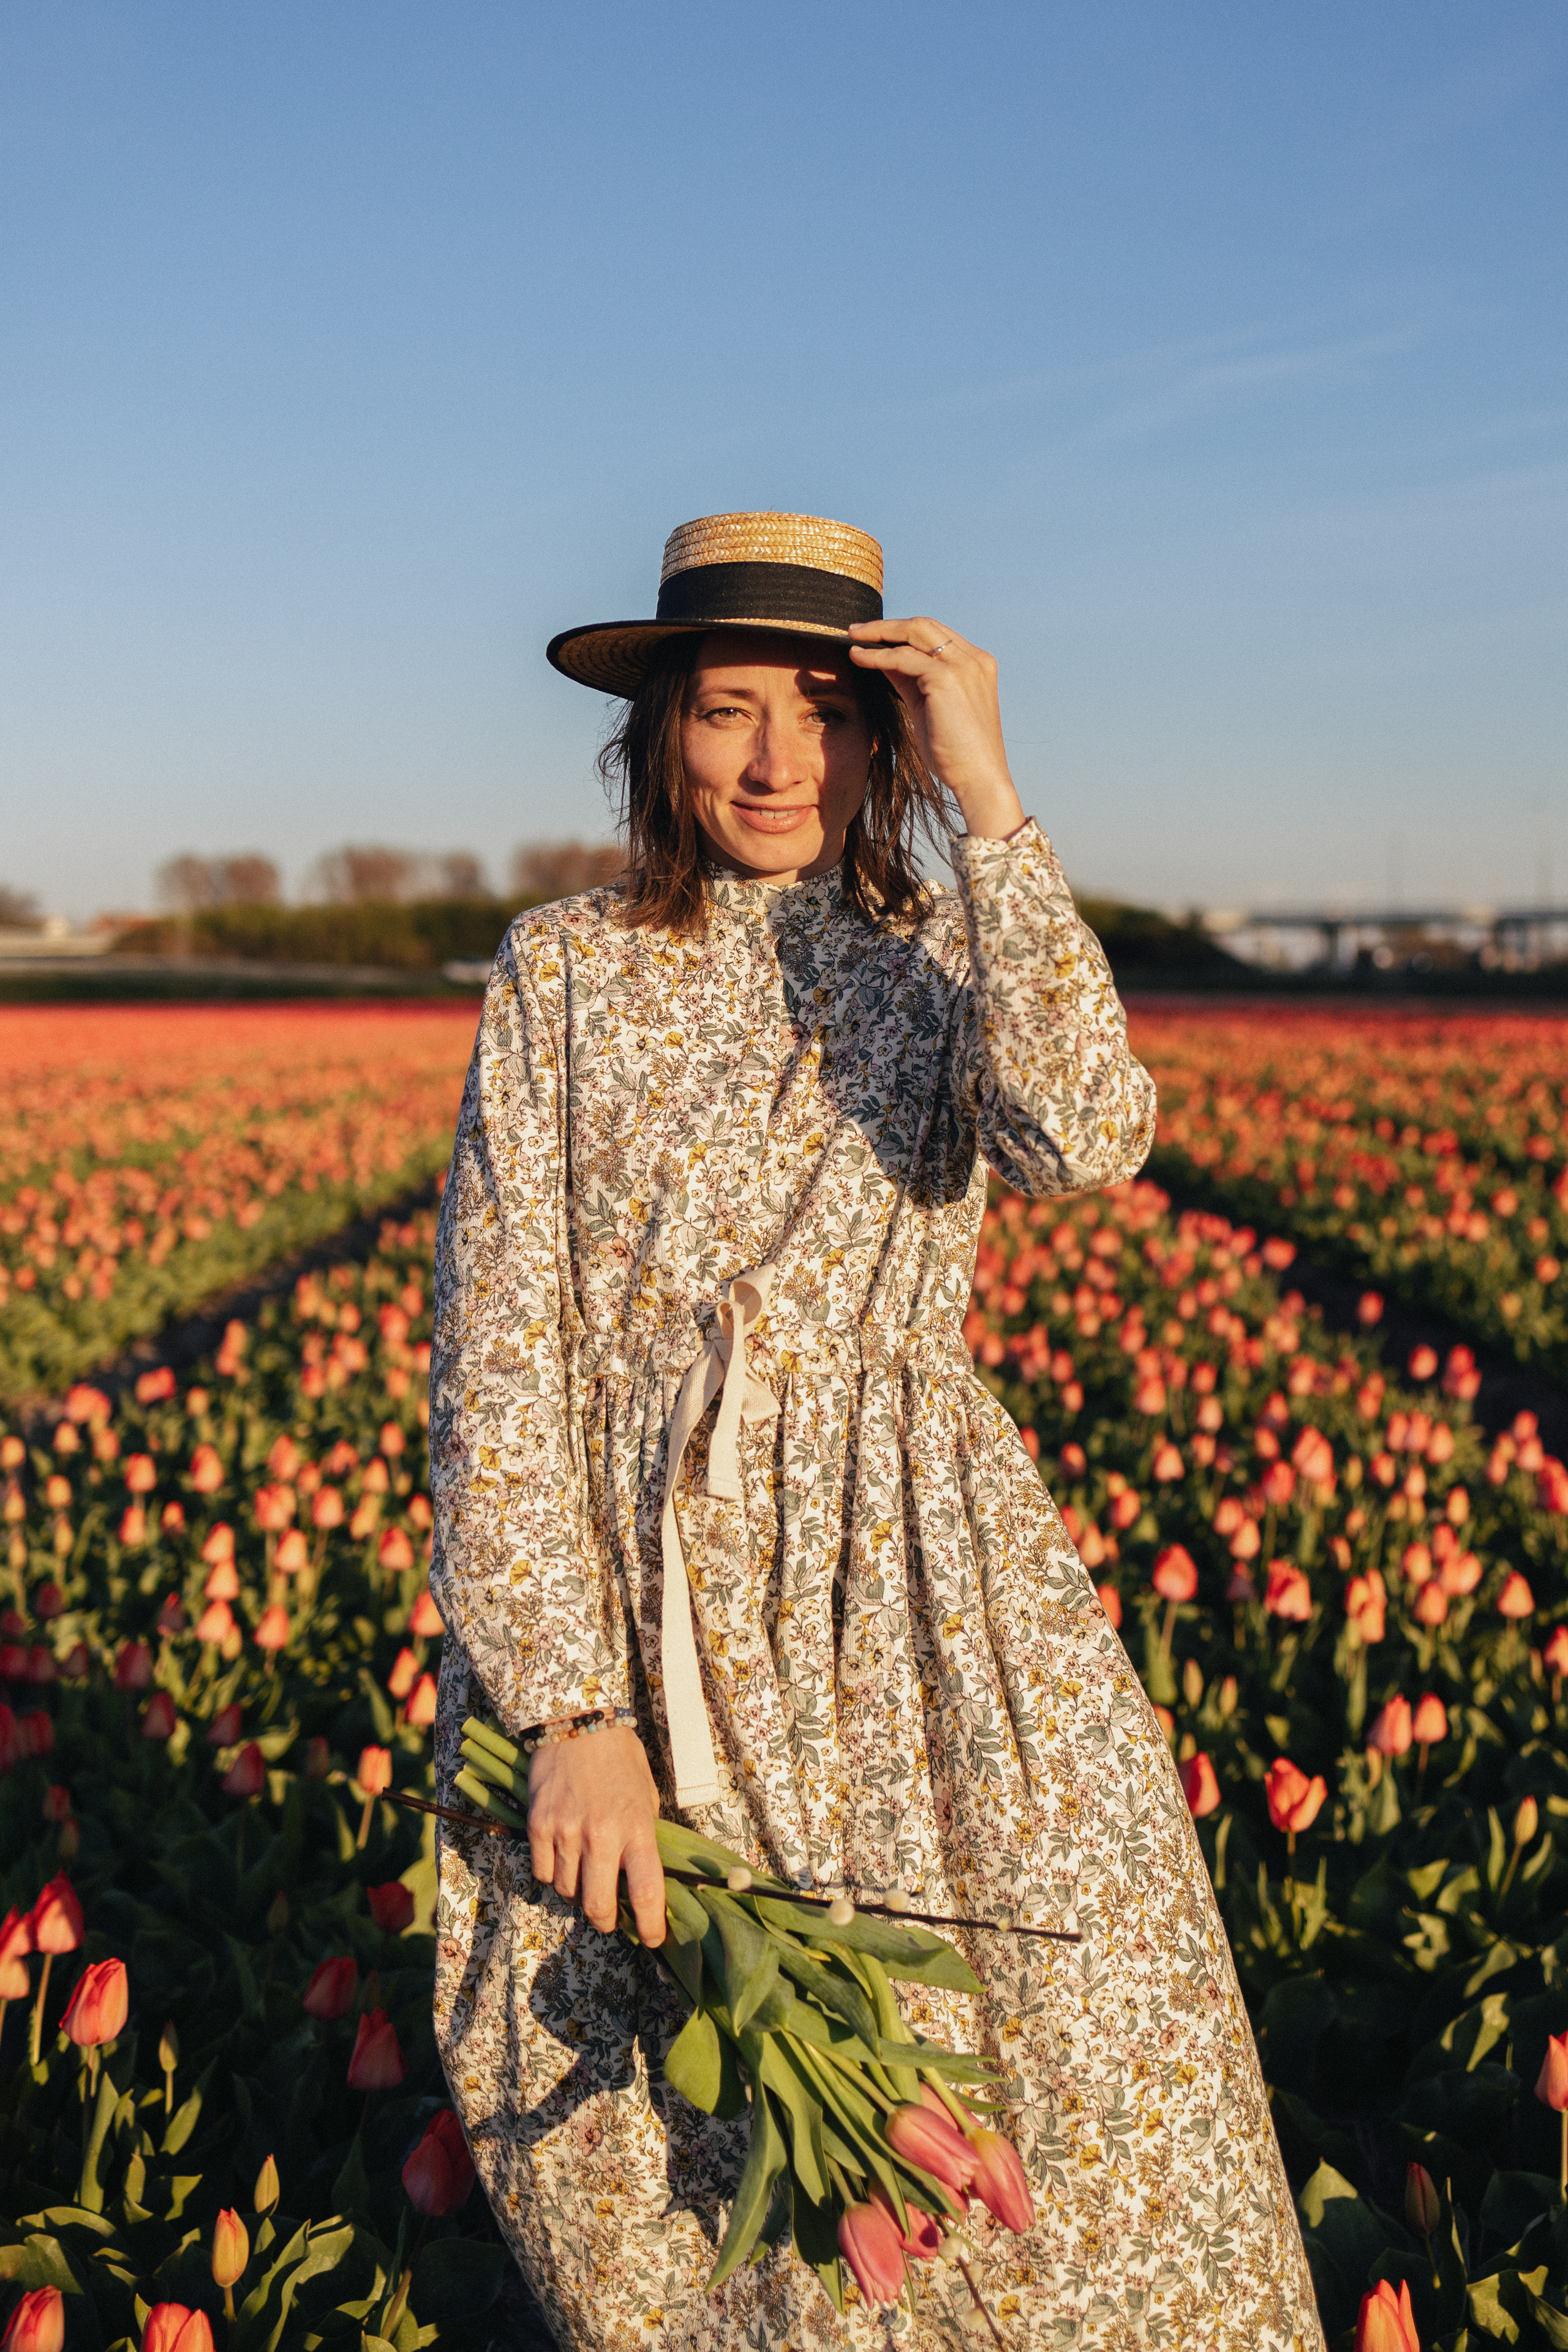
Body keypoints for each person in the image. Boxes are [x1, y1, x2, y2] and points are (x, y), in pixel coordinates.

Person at [429, 511, 1321, 2352]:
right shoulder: (566, 973)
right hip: (644, 1601)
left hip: (918, 1606)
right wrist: (570, 1710)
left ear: (891, 736)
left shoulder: (936, 963)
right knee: (705, 2137)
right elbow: (500, 1346)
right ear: (658, 731)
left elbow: (1090, 1134)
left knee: (1046, 2079)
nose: (780, 763)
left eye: (831, 714)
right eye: (730, 710)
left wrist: (996, 805)